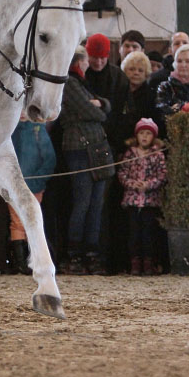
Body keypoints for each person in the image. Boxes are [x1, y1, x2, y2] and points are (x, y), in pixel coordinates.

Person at [59, 45, 111, 274]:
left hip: (94, 147)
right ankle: (75, 252)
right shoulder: (70, 83)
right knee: (83, 202)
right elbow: (96, 112)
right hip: (79, 148)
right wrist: (100, 108)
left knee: (95, 203)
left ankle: (91, 250)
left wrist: (101, 105)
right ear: (79, 61)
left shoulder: (80, 83)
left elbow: (102, 105)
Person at [117, 118, 167, 275]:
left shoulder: (157, 155)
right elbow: (122, 172)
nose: (144, 137)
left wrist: (148, 184)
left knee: (148, 234)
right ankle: (135, 264)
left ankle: (148, 263)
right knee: (133, 234)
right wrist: (132, 184)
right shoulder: (130, 154)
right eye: (141, 133)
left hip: (150, 201)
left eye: (148, 133)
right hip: (132, 200)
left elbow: (162, 175)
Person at [8, 114, 56, 274]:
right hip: (14, 186)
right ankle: (20, 263)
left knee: (33, 221)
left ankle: (32, 261)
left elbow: (49, 159)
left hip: (35, 186)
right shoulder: (10, 130)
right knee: (17, 222)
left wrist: (38, 182)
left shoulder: (38, 130)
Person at [84, 32, 129, 152]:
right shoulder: (79, 76)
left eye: (102, 58)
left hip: (111, 139)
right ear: (87, 54)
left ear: (108, 55)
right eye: (94, 57)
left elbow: (123, 113)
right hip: (83, 138)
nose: (98, 62)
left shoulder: (119, 77)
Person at [117, 50, 160, 142]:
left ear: (146, 74)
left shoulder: (151, 96)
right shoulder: (117, 92)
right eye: (132, 69)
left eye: (140, 70)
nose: (136, 73)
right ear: (124, 71)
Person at [156, 44, 189, 121]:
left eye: (188, 61)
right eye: (179, 61)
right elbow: (161, 111)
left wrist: (178, 107)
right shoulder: (166, 86)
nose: (183, 65)